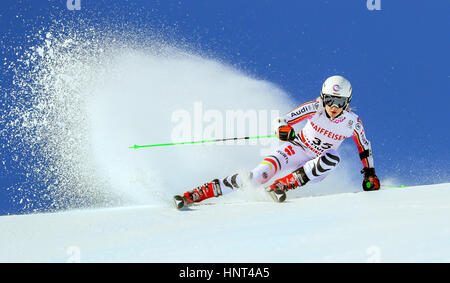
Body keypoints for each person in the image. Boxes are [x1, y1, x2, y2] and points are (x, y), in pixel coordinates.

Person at [174, 75, 380, 209]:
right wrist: (283, 130)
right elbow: (282, 120)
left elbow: (364, 146)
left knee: (333, 158)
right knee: (255, 177)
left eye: (339, 102)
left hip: (317, 163)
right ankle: (198, 193)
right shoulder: (314, 108)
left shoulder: (352, 123)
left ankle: (282, 186)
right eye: (329, 100)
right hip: (296, 148)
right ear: (322, 98)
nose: (333, 107)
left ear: (347, 103)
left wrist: (369, 173)